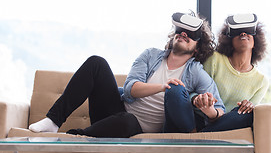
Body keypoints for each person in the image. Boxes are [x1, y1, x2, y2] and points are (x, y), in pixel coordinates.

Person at [28, 12, 225, 137]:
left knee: (127, 122)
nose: (184, 34)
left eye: (191, 34)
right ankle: (53, 121)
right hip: (114, 112)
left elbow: (219, 110)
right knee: (97, 62)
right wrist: (162, 86)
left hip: (135, 128)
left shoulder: (196, 72)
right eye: (181, 30)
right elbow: (130, 89)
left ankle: (77, 136)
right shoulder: (150, 55)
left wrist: (208, 108)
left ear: (198, 47)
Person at [192, 13, 268, 132]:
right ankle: (204, 134)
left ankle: (203, 136)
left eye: (248, 31)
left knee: (248, 115)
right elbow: (193, 90)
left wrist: (249, 106)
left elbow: (244, 116)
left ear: (256, 40)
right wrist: (199, 100)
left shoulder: (261, 81)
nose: (243, 34)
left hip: (230, 124)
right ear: (229, 39)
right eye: (237, 32)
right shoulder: (214, 59)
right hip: (201, 118)